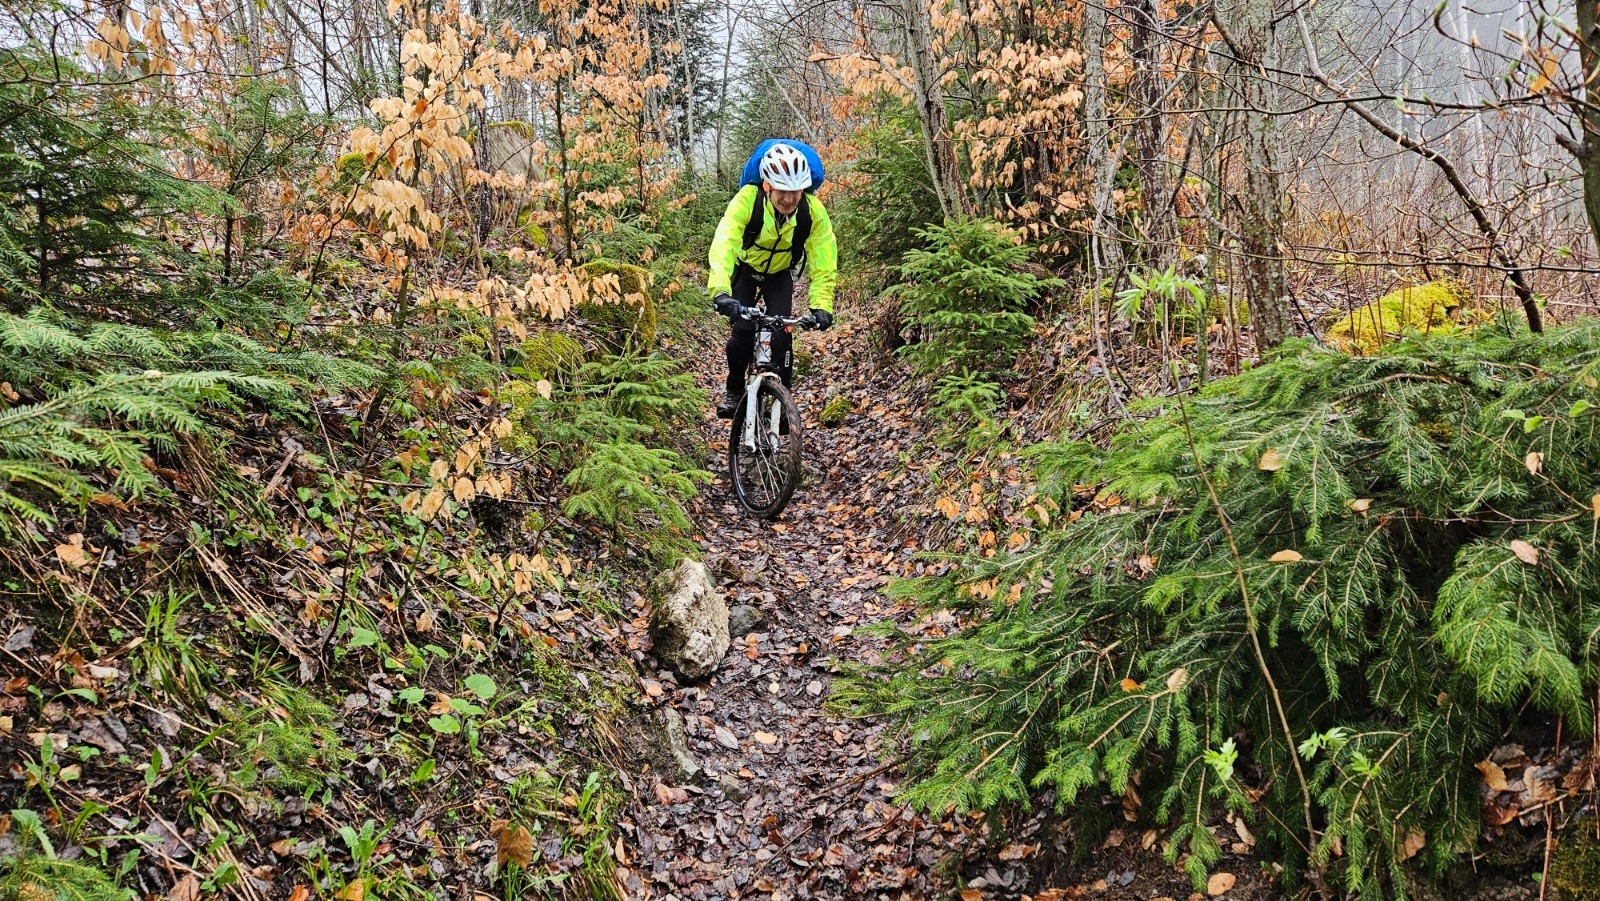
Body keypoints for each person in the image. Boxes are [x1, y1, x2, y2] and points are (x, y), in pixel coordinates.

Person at [708, 142, 837, 418]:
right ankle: (734, 388)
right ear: (767, 185)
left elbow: (824, 258)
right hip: (745, 270)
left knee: (781, 335)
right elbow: (725, 242)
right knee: (743, 332)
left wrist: (822, 305)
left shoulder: (812, 211)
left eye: (795, 192)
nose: (789, 199)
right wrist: (720, 291)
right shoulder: (748, 200)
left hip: (779, 274)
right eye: (782, 191)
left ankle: (782, 403)